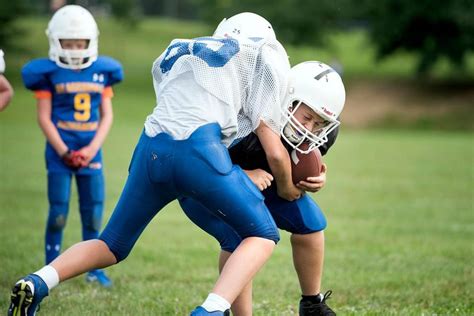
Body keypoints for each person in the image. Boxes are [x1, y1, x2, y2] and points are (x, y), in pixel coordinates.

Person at [8, 12, 301, 316]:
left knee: (110, 244)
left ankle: (37, 281)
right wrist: (288, 186)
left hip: (150, 146)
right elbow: (276, 153)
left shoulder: (191, 50)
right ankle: (210, 311)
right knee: (262, 235)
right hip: (198, 150)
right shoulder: (255, 58)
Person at [180, 61, 346, 316]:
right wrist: (242, 174)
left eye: (320, 123)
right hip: (214, 184)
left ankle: (312, 303)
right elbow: (204, 158)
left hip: (265, 184)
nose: (310, 129)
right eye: (308, 117)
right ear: (288, 100)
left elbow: (301, 161)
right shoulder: (248, 115)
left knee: (311, 224)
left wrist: (315, 178)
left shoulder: (320, 133)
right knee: (241, 239)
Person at [19, 5, 123, 289]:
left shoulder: (102, 72)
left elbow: (107, 115)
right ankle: (50, 267)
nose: (75, 48)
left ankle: (93, 269)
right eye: (69, 42)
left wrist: (91, 149)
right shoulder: (48, 73)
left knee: (93, 211)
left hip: (91, 150)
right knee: (59, 211)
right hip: (59, 151)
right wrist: (64, 151)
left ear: (91, 41)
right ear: (56, 41)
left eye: (80, 43)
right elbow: (44, 117)